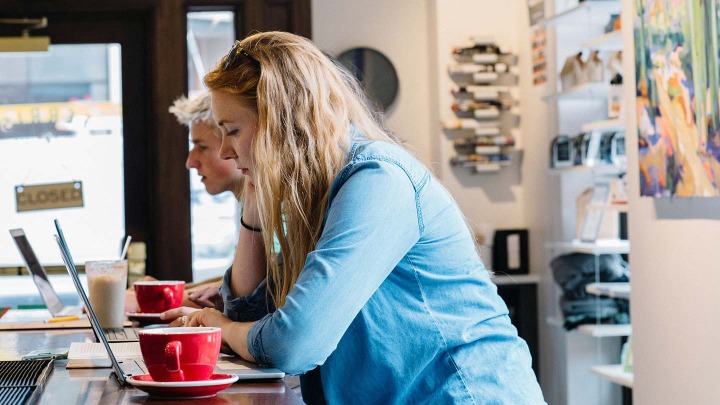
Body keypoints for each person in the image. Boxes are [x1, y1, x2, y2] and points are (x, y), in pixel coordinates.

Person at [164, 31, 545, 404]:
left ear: (281, 121)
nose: (226, 151)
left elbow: (293, 343)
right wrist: (254, 195)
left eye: (232, 130)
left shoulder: (378, 180)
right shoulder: (314, 192)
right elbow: (249, 309)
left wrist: (224, 329)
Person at [124, 92, 243, 313]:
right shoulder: (248, 208)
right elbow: (233, 280)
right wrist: (168, 290)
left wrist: (149, 301)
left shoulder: (272, 212)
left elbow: (247, 292)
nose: (190, 161)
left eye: (202, 147)